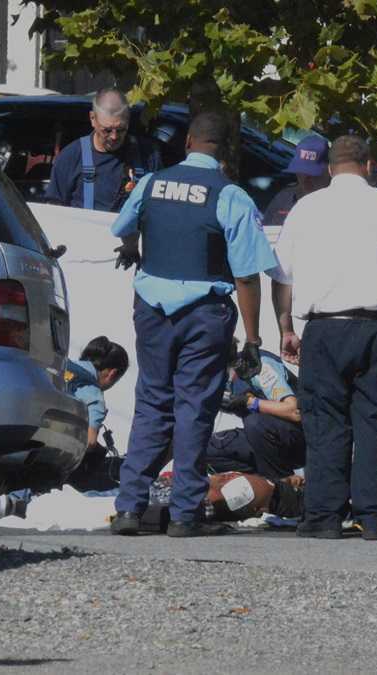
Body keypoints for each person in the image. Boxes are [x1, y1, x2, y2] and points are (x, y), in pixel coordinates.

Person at [109, 111, 279, 537]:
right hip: (204, 314)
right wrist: (254, 339)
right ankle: (185, 514)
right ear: (224, 151)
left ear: (187, 141)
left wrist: (134, 249)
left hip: (152, 309)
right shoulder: (231, 195)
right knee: (194, 409)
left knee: (151, 403)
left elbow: (123, 226)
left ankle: (129, 507)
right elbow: (245, 275)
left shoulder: (151, 182)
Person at [268, 134, 377, 540]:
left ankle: (323, 516)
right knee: (375, 421)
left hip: (323, 329)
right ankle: (376, 516)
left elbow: (281, 277)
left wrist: (286, 328)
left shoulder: (306, 208)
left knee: (325, 423)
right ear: (368, 165)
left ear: (329, 168)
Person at [0, 336, 129, 524]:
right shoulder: (94, 395)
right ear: (112, 374)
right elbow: (88, 442)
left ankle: (4, 499)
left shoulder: (60, 365)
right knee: (99, 482)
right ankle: (14, 501)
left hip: (15, 433)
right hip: (52, 460)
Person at [45, 87, 160, 212]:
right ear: (92, 119)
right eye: (107, 130)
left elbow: (159, 206)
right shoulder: (71, 157)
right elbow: (54, 209)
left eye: (121, 129)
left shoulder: (148, 154)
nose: (114, 136)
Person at [208, 342, 306, 480]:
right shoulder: (218, 381)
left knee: (254, 422)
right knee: (207, 450)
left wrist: (250, 402)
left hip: (301, 437)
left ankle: (284, 484)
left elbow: (295, 412)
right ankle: (264, 483)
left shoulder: (256, 365)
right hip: (265, 441)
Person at [263, 136, 332, 228]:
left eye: (313, 173)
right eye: (301, 172)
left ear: (329, 170)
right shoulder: (284, 198)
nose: (306, 179)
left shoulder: (339, 205)